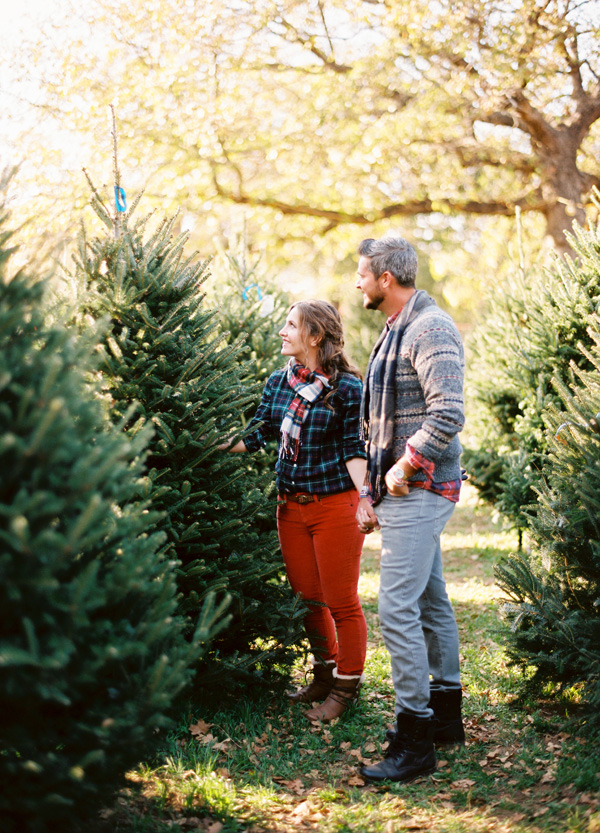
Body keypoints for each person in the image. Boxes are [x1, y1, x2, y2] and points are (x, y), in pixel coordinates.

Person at [222, 300, 370, 722]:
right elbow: (258, 435)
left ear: (315, 336)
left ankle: (345, 689)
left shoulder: (347, 389)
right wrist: (208, 442)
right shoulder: (279, 382)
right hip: (290, 509)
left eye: (291, 325)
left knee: (341, 602)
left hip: (334, 507)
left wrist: (365, 499)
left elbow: (353, 450)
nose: (282, 331)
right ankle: (323, 676)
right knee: (308, 600)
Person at [354, 235, 466, 784]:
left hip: (418, 490)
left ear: (387, 279)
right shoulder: (396, 329)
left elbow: (448, 413)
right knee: (428, 599)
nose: (358, 283)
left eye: (363, 274)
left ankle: (414, 736)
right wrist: (369, 486)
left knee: (394, 607)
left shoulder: (431, 328)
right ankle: (446, 716)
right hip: (399, 491)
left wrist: (400, 469)